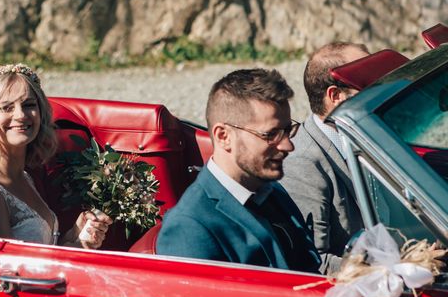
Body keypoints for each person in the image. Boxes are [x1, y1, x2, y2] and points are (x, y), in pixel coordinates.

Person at [157, 68, 321, 273]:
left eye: (287, 131)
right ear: (224, 136)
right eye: (271, 134)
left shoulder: (271, 190)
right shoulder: (189, 228)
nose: (288, 146)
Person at [0, 63, 112, 248]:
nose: (21, 115)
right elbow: (10, 271)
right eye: (6, 108)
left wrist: (75, 238)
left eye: (29, 105)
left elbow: (39, 254)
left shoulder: (22, 174)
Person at [282, 42, 369, 274]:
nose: (380, 89)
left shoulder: (371, 136)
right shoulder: (303, 163)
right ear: (336, 95)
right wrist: (391, 269)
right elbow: (315, 261)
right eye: (368, 84)